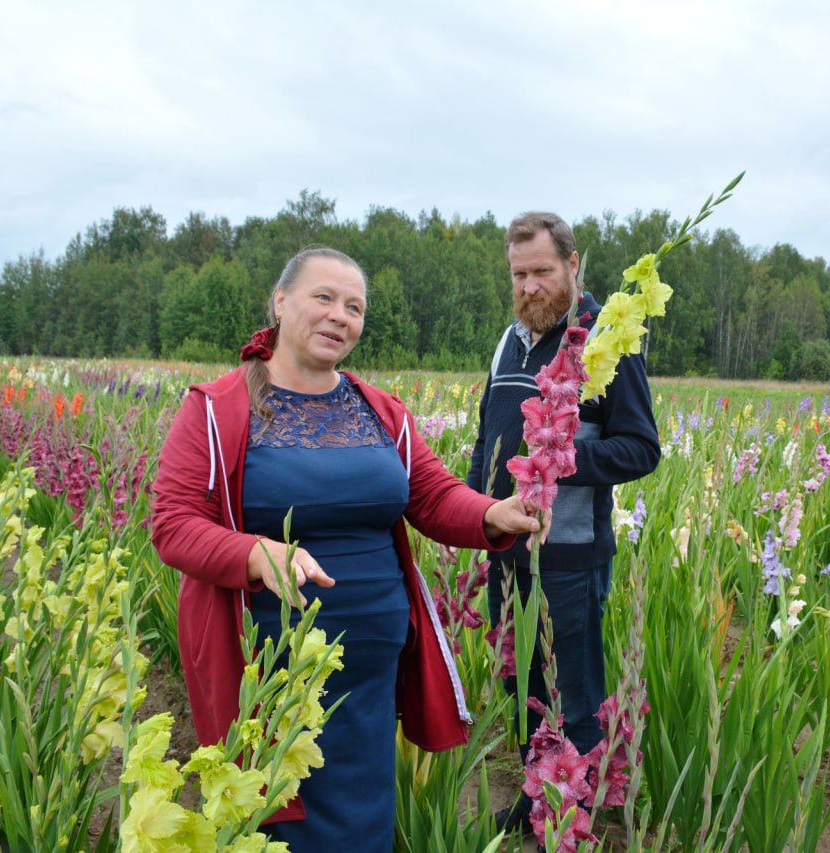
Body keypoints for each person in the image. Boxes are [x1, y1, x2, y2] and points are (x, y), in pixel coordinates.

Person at [150, 247, 545, 851]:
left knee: (363, 814)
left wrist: (494, 513)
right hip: (265, 661)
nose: (340, 316)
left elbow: (433, 495)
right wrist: (257, 554)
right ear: (280, 303)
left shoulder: (379, 410)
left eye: (355, 307)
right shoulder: (216, 409)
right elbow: (173, 523)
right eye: (324, 298)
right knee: (274, 809)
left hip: (368, 666)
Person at [452, 212, 660, 831]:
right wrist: (474, 514)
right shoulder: (509, 340)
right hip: (505, 549)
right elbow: (489, 442)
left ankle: (577, 821)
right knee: (522, 685)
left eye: (542, 271)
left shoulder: (601, 346)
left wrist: (559, 459)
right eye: (519, 274)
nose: (530, 286)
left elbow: (641, 448)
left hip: (568, 557)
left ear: (573, 266)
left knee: (573, 695)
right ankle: (536, 799)